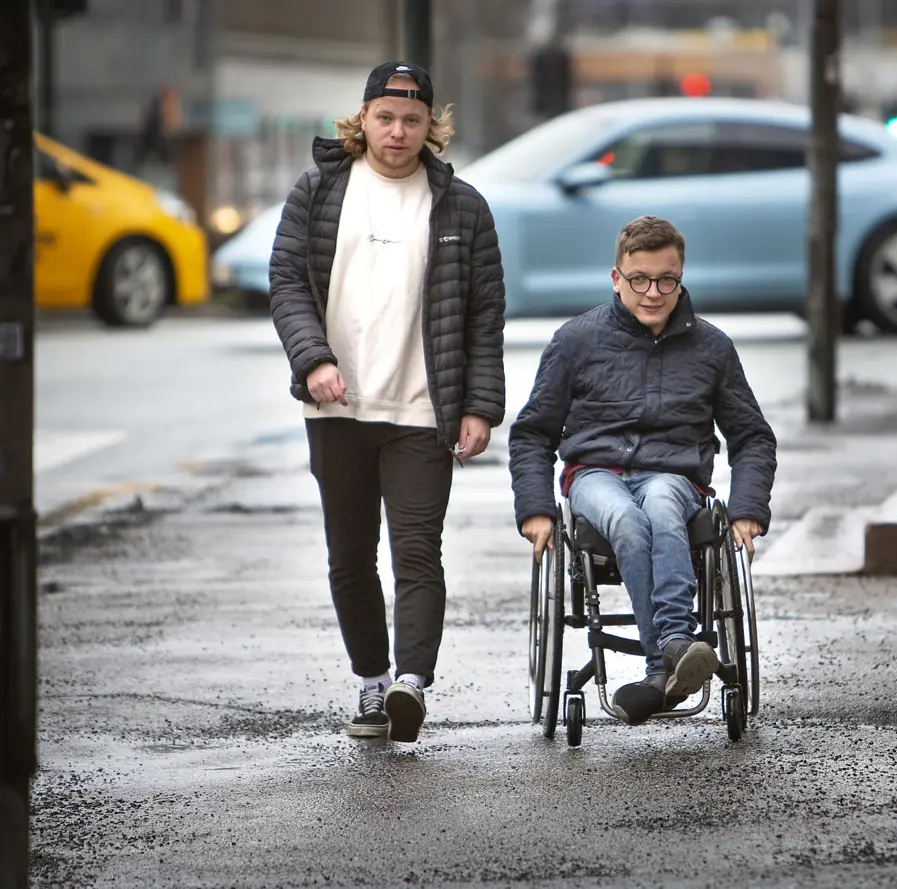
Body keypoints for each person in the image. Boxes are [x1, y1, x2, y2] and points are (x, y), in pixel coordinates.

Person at [269, 60, 506, 743]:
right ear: (363, 118)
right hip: (336, 410)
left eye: (411, 120)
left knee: (416, 553)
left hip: (421, 413)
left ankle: (411, 683)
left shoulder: (463, 206)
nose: (398, 132)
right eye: (386, 117)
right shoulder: (319, 191)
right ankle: (372, 682)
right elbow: (286, 281)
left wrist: (478, 405)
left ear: (431, 126)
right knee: (349, 554)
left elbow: (484, 312)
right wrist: (312, 359)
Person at [508, 215, 777, 726]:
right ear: (617, 278)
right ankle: (675, 650)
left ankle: (663, 666)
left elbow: (752, 436)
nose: (652, 292)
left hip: (673, 474)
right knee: (628, 520)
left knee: (659, 507)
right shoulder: (575, 341)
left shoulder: (712, 348)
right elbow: (533, 434)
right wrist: (537, 509)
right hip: (594, 473)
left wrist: (746, 510)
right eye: (639, 280)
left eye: (666, 280)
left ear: (681, 279)